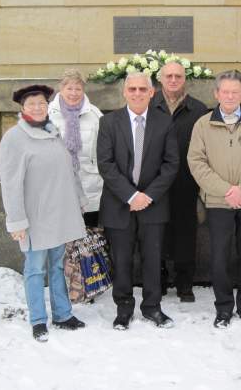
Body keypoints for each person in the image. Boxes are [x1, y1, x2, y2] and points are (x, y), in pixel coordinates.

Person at [188, 70, 241, 328]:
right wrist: (227, 190)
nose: (229, 96)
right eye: (224, 91)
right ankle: (224, 308)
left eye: (234, 92)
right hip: (218, 201)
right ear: (216, 94)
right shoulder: (203, 124)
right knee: (219, 257)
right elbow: (196, 162)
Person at [0, 84, 87, 342]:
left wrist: (79, 200)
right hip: (34, 218)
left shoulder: (53, 132)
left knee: (57, 266)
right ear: (22, 108)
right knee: (35, 269)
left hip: (58, 214)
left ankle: (62, 314)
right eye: (31, 104)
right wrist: (16, 221)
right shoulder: (14, 138)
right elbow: (10, 183)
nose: (37, 108)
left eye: (41, 103)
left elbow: (69, 171)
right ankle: (38, 319)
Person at [97, 72, 179, 330]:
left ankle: (152, 307)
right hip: (119, 204)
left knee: (152, 260)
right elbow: (106, 164)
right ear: (124, 92)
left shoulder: (165, 123)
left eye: (142, 89)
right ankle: (123, 308)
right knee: (121, 260)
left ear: (151, 92)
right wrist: (131, 195)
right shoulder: (109, 122)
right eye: (131, 89)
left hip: (153, 206)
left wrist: (147, 196)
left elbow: (171, 164)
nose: (137, 93)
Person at [151, 62, 208, 302]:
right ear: (160, 78)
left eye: (178, 76)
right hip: (155, 182)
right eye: (168, 76)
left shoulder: (198, 109)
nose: (173, 80)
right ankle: (159, 279)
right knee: (156, 233)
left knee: (187, 232)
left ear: (185, 78)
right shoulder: (149, 105)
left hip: (188, 180)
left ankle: (185, 283)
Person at [48, 69, 103, 228]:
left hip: (90, 186)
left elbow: (105, 150)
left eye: (78, 88)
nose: (74, 93)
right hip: (58, 184)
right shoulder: (48, 115)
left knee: (90, 240)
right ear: (61, 88)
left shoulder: (95, 115)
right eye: (69, 88)